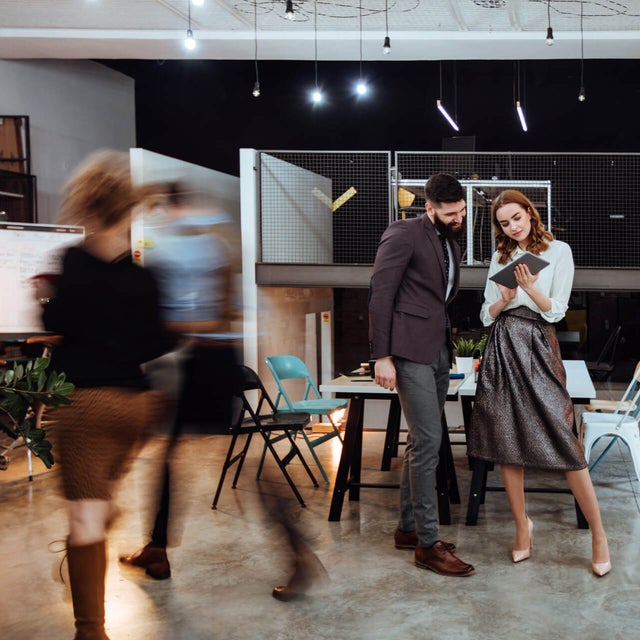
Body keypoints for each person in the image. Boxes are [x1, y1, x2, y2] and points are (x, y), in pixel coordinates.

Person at [36, 149, 168, 639]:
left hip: (85, 405)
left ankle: (90, 631)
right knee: (96, 504)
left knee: (87, 521)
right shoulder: (145, 276)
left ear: (88, 207)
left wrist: (43, 301)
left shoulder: (70, 262)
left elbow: (55, 324)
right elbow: (157, 341)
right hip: (137, 408)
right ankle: (95, 523)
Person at [467, 189, 611, 576]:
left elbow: (558, 311)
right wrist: (505, 297)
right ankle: (522, 529)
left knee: (564, 438)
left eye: (516, 218)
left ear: (530, 214)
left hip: (537, 343)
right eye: (503, 222)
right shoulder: (500, 258)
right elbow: (486, 314)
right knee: (506, 439)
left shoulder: (558, 250)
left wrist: (529, 290)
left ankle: (598, 533)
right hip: (502, 346)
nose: (512, 227)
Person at [119, 182, 239, 580]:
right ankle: (155, 548)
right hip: (198, 359)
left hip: (201, 358)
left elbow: (218, 317)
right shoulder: (208, 243)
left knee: (173, 454)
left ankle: (156, 549)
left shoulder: (190, 247)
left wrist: (167, 326)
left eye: (160, 206)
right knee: (168, 454)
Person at [368, 172, 475, 577]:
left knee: (421, 441)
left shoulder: (448, 239)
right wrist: (382, 356)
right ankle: (429, 545)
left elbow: (435, 297)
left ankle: (408, 530)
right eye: (450, 213)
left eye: (462, 211)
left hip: (437, 351)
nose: (458, 218)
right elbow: (381, 294)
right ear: (428, 208)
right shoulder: (404, 233)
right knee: (430, 440)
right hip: (408, 351)